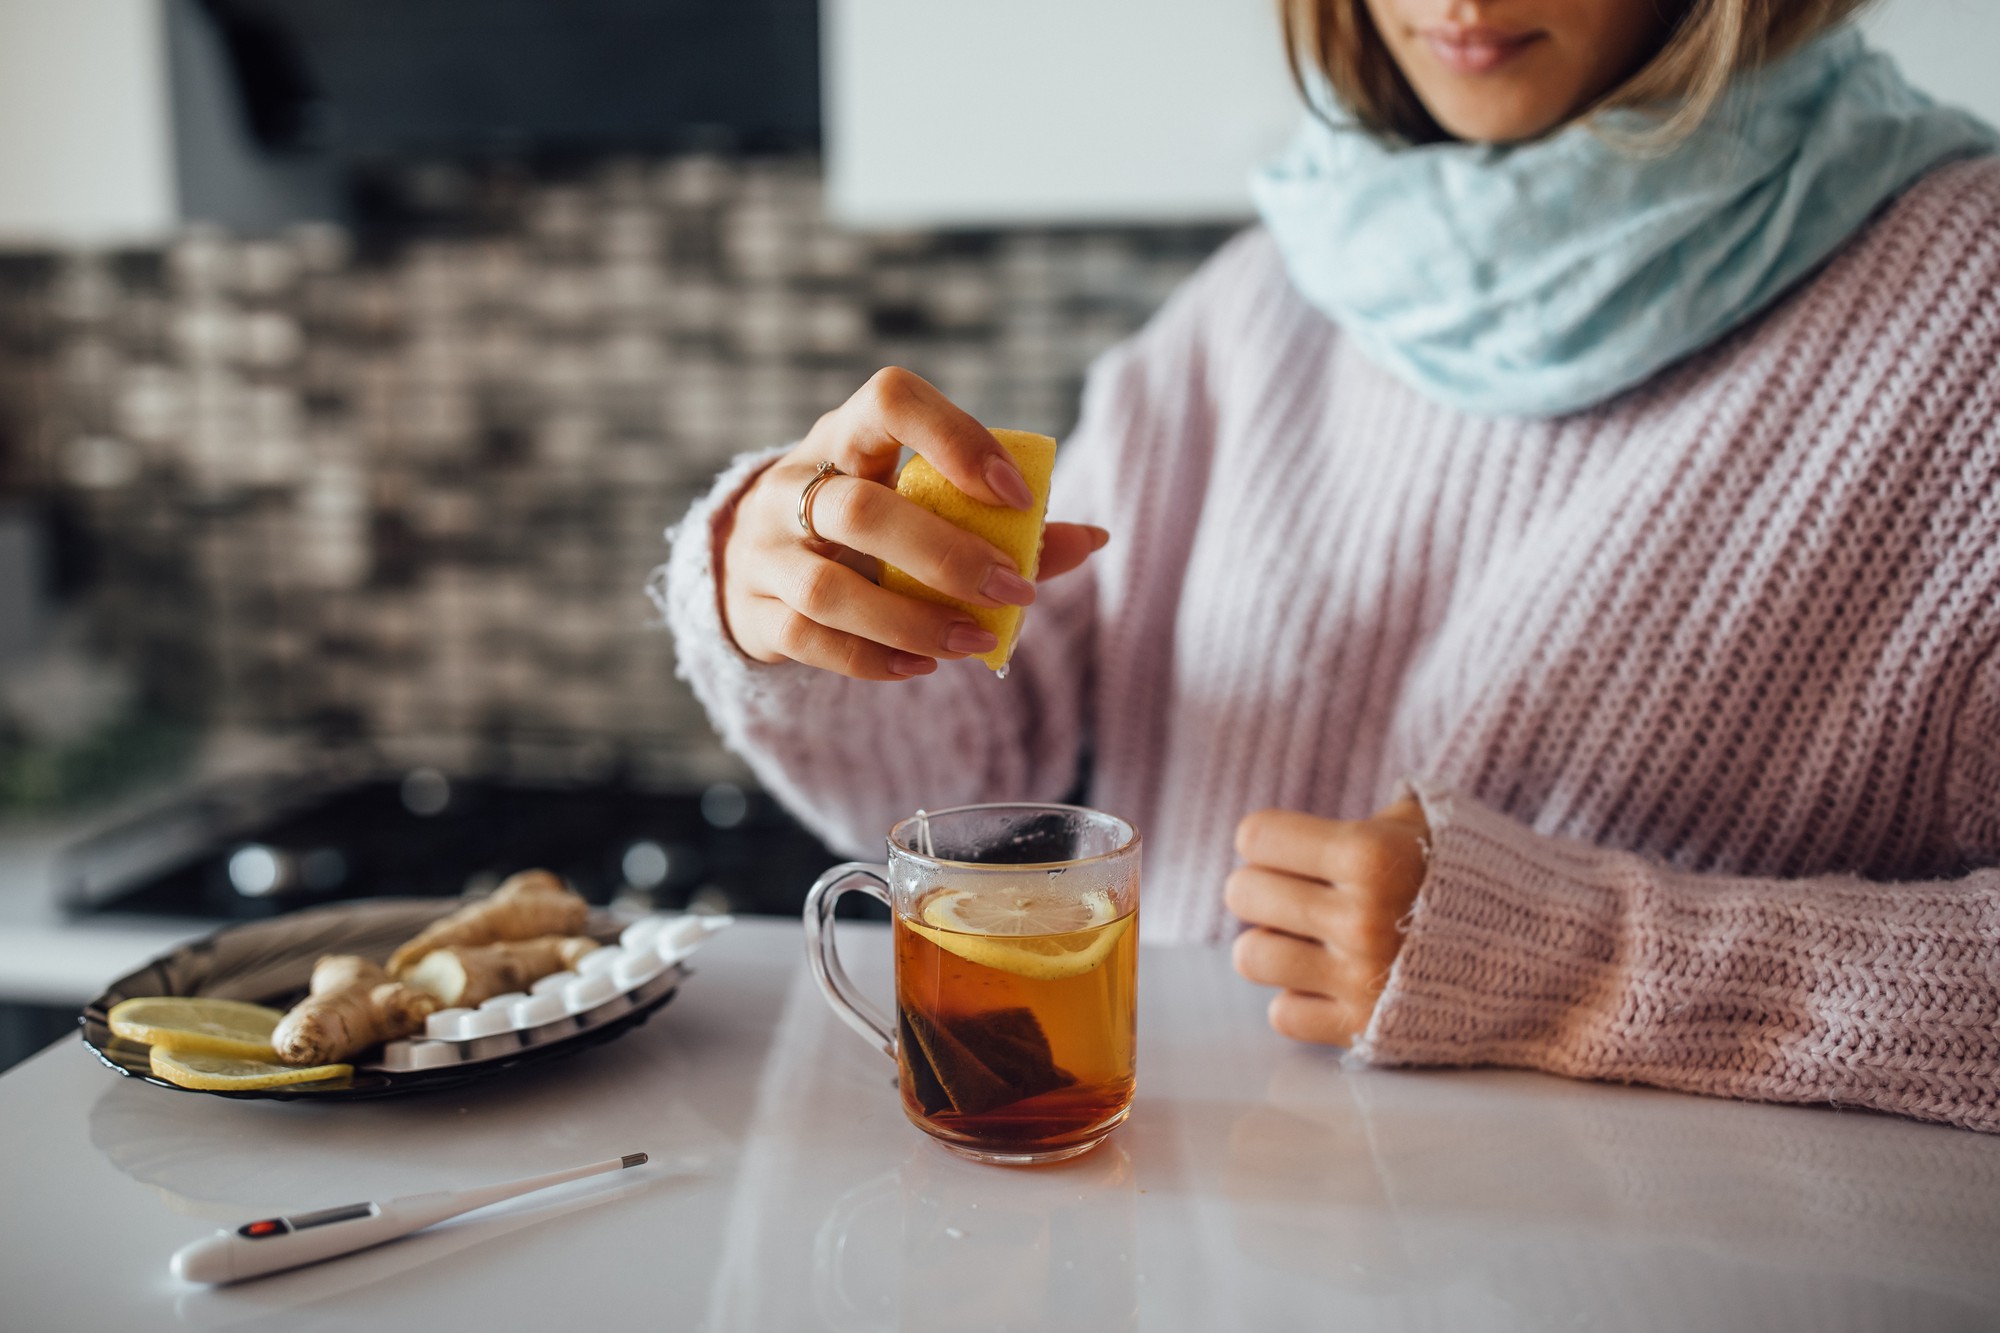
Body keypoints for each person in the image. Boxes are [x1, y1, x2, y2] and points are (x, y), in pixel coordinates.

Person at [654, 0, 2000, 1133]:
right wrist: (790, 589)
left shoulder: (1968, 309)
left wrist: (1575, 966)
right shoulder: (1263, 303)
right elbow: (960, 788)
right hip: (1165, 1261)